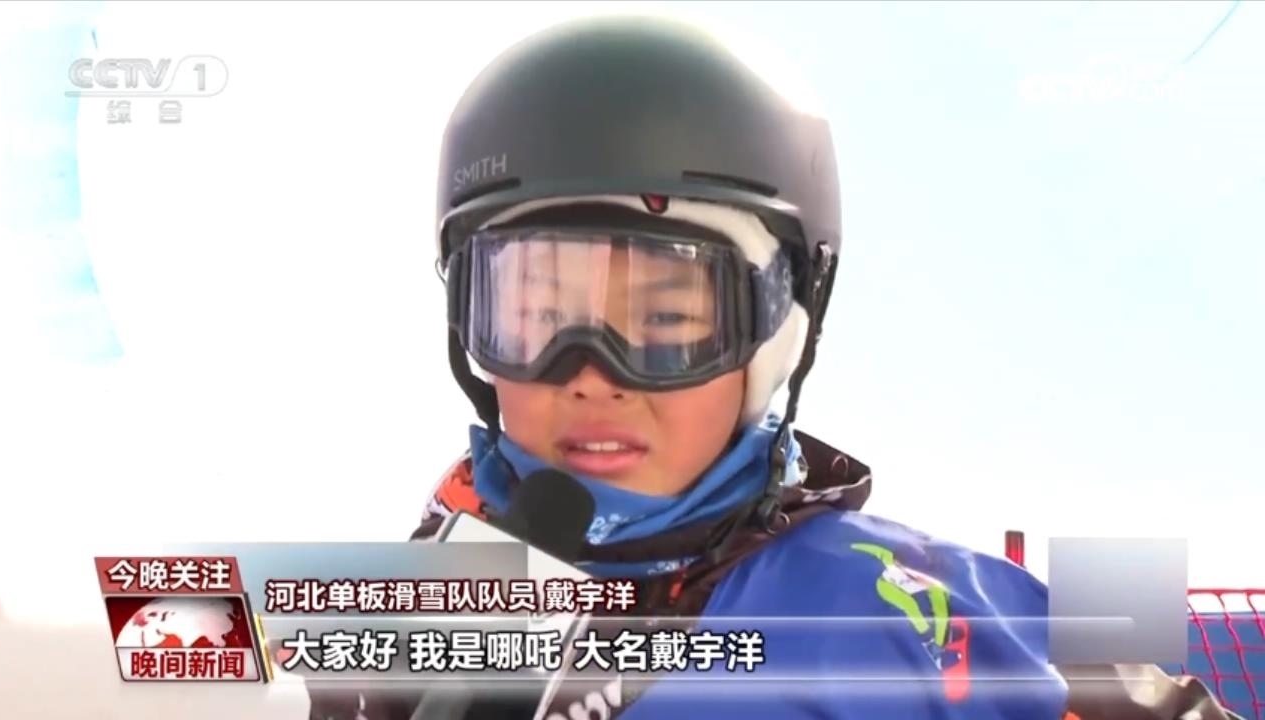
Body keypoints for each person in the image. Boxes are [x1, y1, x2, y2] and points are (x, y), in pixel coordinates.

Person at [309, 14, 1244, 720]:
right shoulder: (389, 623)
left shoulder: (917, 611)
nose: (590, 375)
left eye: (667, 321)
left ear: (777, 336)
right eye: (536, 319)